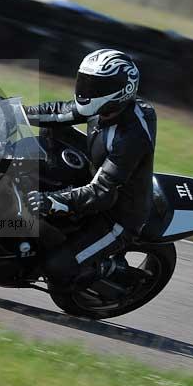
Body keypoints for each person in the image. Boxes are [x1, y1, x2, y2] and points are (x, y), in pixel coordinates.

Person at [23, 49, 157, 287]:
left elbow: (102, 192)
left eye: (96, 85)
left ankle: (109, 271)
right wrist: (12, 113)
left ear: (123, 89)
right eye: (85, 81)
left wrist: (50, 200)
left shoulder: (132, 135)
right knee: (51, 129)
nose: (87, 91)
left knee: (57, 268)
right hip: (95, 171)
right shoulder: (105, 107)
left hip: (116, 215)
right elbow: (59, 112)